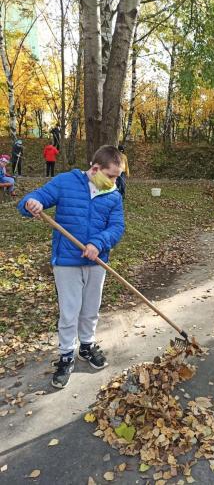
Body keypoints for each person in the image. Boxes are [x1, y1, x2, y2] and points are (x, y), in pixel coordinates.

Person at [17, 145, 125, 389]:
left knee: (90, 307)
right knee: (70, 310)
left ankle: (86, 347)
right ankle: (66, 355)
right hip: (66, 261)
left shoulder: (113, 195)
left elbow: (117, 227)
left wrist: (98, 243)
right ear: (95, 168)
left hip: (97, 261)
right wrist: (30, 203)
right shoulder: (66, 182)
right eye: (111, 175)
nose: (114, 181)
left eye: (117, 176)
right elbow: (35, 198)